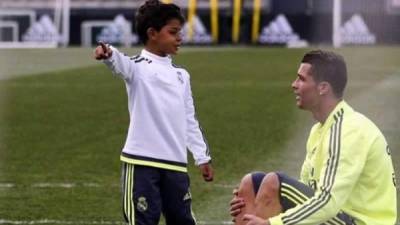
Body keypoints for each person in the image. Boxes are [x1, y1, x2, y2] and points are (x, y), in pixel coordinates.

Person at [229, 50, 397, 225]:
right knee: (251, 183)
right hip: (338, 217)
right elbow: (309, 190)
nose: (294, 85)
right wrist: (254, 203)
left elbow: (327, 202)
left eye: (301, 79)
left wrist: (273, 223)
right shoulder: (320, 129)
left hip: (359, 222)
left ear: (323, 87)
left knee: (274, 182)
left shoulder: (347, 130)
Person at [93, 1, 214, 225]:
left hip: (175, 166)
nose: (179, 38)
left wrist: (201, 156)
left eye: (180, 32)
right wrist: (108, 54)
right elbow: (120, 63)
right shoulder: (137, 67)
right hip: (141, 164)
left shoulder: (181, 76)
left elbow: (189, 119)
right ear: (152, 33)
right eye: (173, 32)